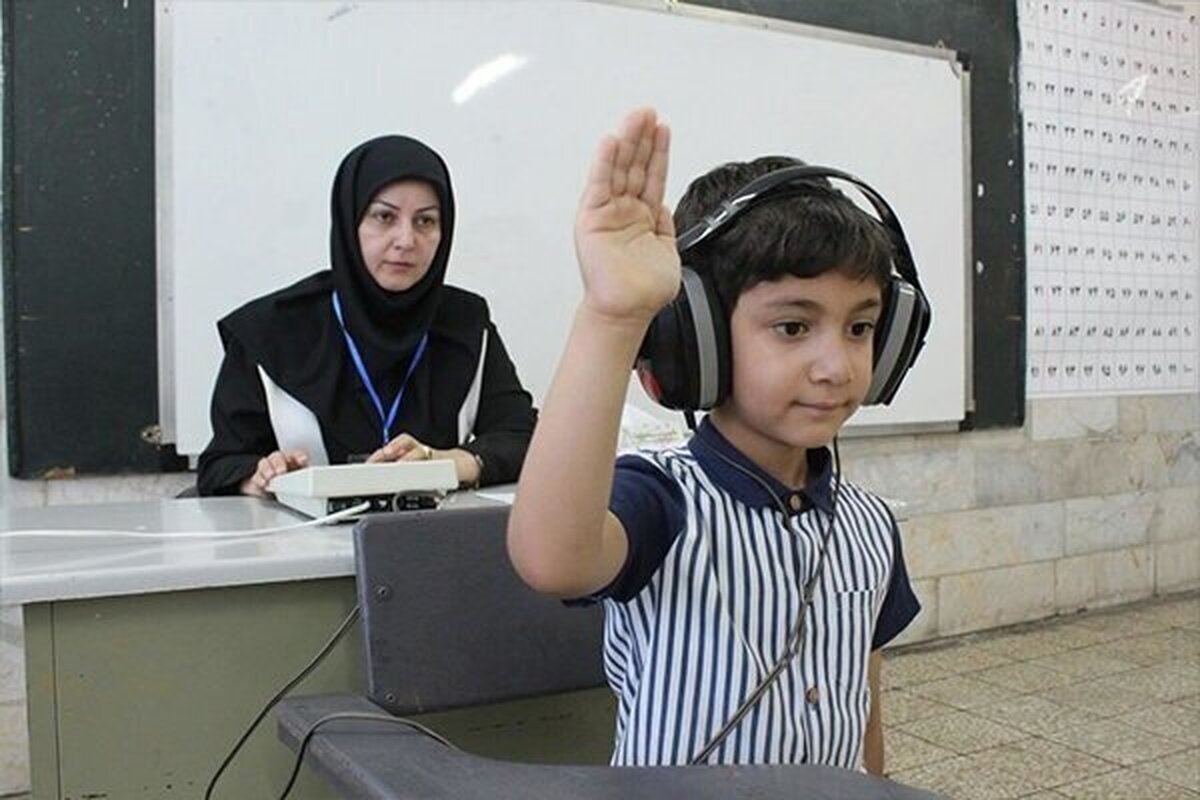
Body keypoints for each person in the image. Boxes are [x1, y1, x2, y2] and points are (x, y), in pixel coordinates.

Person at [507, 109, 920, 772]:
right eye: (792, 327)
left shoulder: (870, 525)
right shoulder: (661, 499)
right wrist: (613, 316)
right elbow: (551, 558)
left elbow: (863, 705)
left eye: (860, 328)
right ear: (697, 341)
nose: (836, 366)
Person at [197, 135, 536, 496]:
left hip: (431, 539)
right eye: (384, 217)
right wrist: (262, 475)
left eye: (425, 221)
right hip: (302, 541)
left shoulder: (465, 322)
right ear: (349, 220)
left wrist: (449, 462)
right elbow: (221, 464)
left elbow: (524, 438)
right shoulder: (269, 330)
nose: (406, 240)